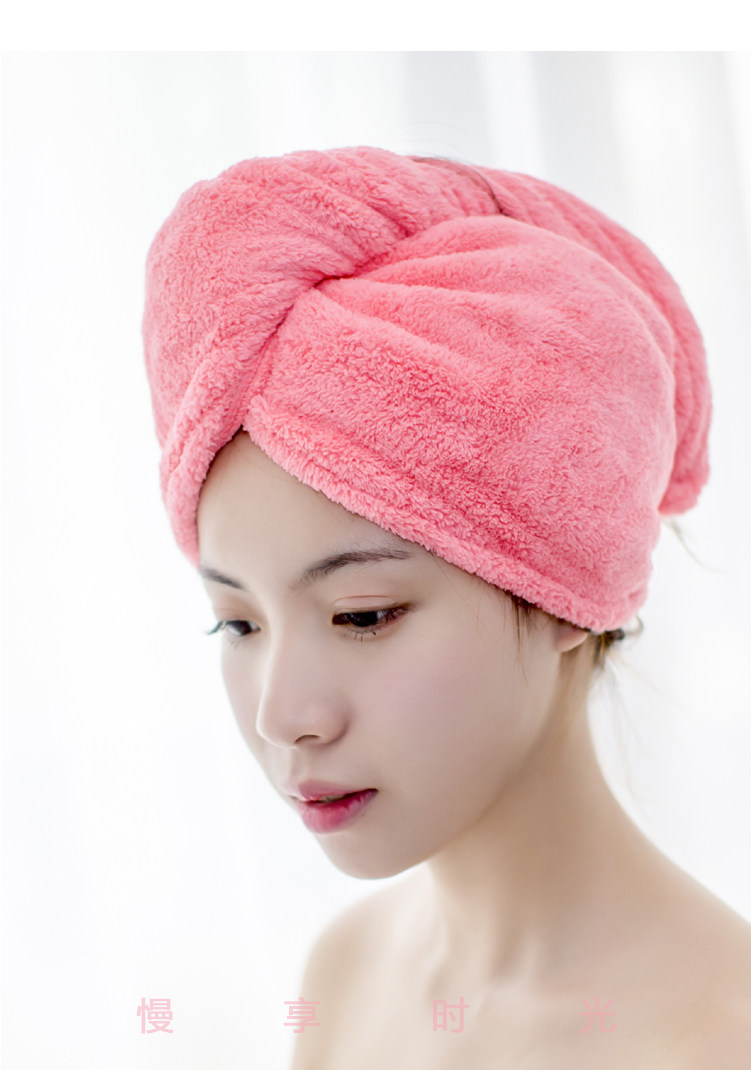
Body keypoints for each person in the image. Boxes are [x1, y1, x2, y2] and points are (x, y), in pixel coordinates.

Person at [142, 147, 751, 1069]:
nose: (283, 714)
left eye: (362, 614)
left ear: (567, 589)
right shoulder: (345, 973)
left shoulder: (713, 1040)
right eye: (238, 623)